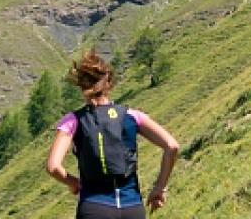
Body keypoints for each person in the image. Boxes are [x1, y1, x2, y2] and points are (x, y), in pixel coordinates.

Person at [46, 50, 181, 218]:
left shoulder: (73, 121)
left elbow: (53, 167)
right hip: (132, 207)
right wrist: (160, 187)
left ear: (82, 86)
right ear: (109, 83)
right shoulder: (132, 116)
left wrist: (74, 183)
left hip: (94, 206)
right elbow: (172, 146)